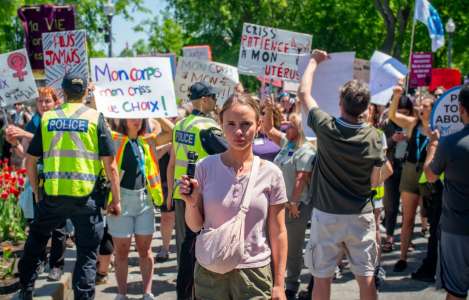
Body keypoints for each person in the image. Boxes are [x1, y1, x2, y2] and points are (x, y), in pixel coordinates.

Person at [17, 74, 121, 300]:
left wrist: (36, 190)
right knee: (86, 254)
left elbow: (31, 159)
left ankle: (25, 289)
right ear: (85, 93)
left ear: (62, 93)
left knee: (35, 242)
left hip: (52, 197)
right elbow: (110, 165)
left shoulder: (48, 118)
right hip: (86, 199)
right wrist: (116, 199)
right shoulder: (96, 118)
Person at [179, 93, 288, 299]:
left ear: (258, 125)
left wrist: (279, 283)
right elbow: (195, 226)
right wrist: (192, 203)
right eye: (230, 123)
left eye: (246, 124)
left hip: (254, 273)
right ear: (220, 124)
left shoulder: (271, 173)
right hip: (210, 271)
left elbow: (279, 231)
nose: (239, 131)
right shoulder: (205, 167)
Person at [300, 50, 387, 300]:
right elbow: (377, 176)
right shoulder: (375, 137)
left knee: (322, 277)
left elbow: (304, 93)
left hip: (326, 215)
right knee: (366, 276)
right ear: (367, 107)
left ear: (341, 103)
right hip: (361, 214)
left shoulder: (326, 127)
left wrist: (314, 61)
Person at [166, 81, 227, 300]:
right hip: (200, 197)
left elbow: (172, 162)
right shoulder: (207, 127)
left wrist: (169, 194)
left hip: (181, 193)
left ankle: (184, 294)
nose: (215, 101)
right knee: (199, 248)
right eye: (212, 97)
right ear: (203, 99)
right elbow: (230, 154)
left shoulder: (181, 125)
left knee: (185, 248)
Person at [6, 87, 67, 282]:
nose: (43, 104)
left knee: (58, 225)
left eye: (47, 101)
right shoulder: (34, 121)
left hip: (57, 177)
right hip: (37, 176)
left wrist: (24, 132)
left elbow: (53, 140)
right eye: (40, 101)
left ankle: (56, 265)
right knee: (37, 224)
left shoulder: (60, 118)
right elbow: (26, 153)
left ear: (56, 102)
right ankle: (40, 259)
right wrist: (14, 142)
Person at [107, 118, 167, 300]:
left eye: (140, 116)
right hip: (120, 200)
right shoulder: (113, 138)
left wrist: (156, 114)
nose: (137, 120)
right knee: (122, 251)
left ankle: (147, 293)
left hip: (144, 200)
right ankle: (121, 294)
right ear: (123, 119)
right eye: (132, 116)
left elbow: (171, 132)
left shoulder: (147, 140)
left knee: (145, 250)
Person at [263, 98, 316, 299]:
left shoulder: (306, 150)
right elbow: (269, 129)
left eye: (291, 126)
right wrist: (269, 108)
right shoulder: (288, 143)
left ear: (300, 130)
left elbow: (301, 179)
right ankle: (274, 280)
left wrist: (293, 203)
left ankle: (292, 284)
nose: (286, 128)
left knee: (293, 247)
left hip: (295, 206)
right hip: (278, 205)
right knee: (272, 243)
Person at [424, 84, 469, 300]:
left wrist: (432, 146)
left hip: (457, 230)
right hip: (456, 229)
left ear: (461, 109)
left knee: (455, 291)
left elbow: (430, 175)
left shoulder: (450, 143)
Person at [389, 83, 435, 272]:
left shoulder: (437, 127)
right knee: (408, 218)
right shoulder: (412, 123)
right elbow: (393, 116)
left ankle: (431, 257)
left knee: (430, 216)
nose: (421, 108)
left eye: (425, 106)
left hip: (430, 174)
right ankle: (402, 257)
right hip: (410, 170)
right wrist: (396, 96)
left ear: (433, 109)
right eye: (421, 106)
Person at [382, 95, 414, 253]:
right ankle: (389, 237)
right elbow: (381, 146)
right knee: (391, 205)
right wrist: (392, 139)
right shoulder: (388, 123)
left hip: (408, 168)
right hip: (392, 168)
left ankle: (407, 239)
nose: (402, 115)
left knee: (409, 207)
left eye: (406, 112)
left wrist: (410, 138)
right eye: (399, 111)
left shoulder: (413, 123)